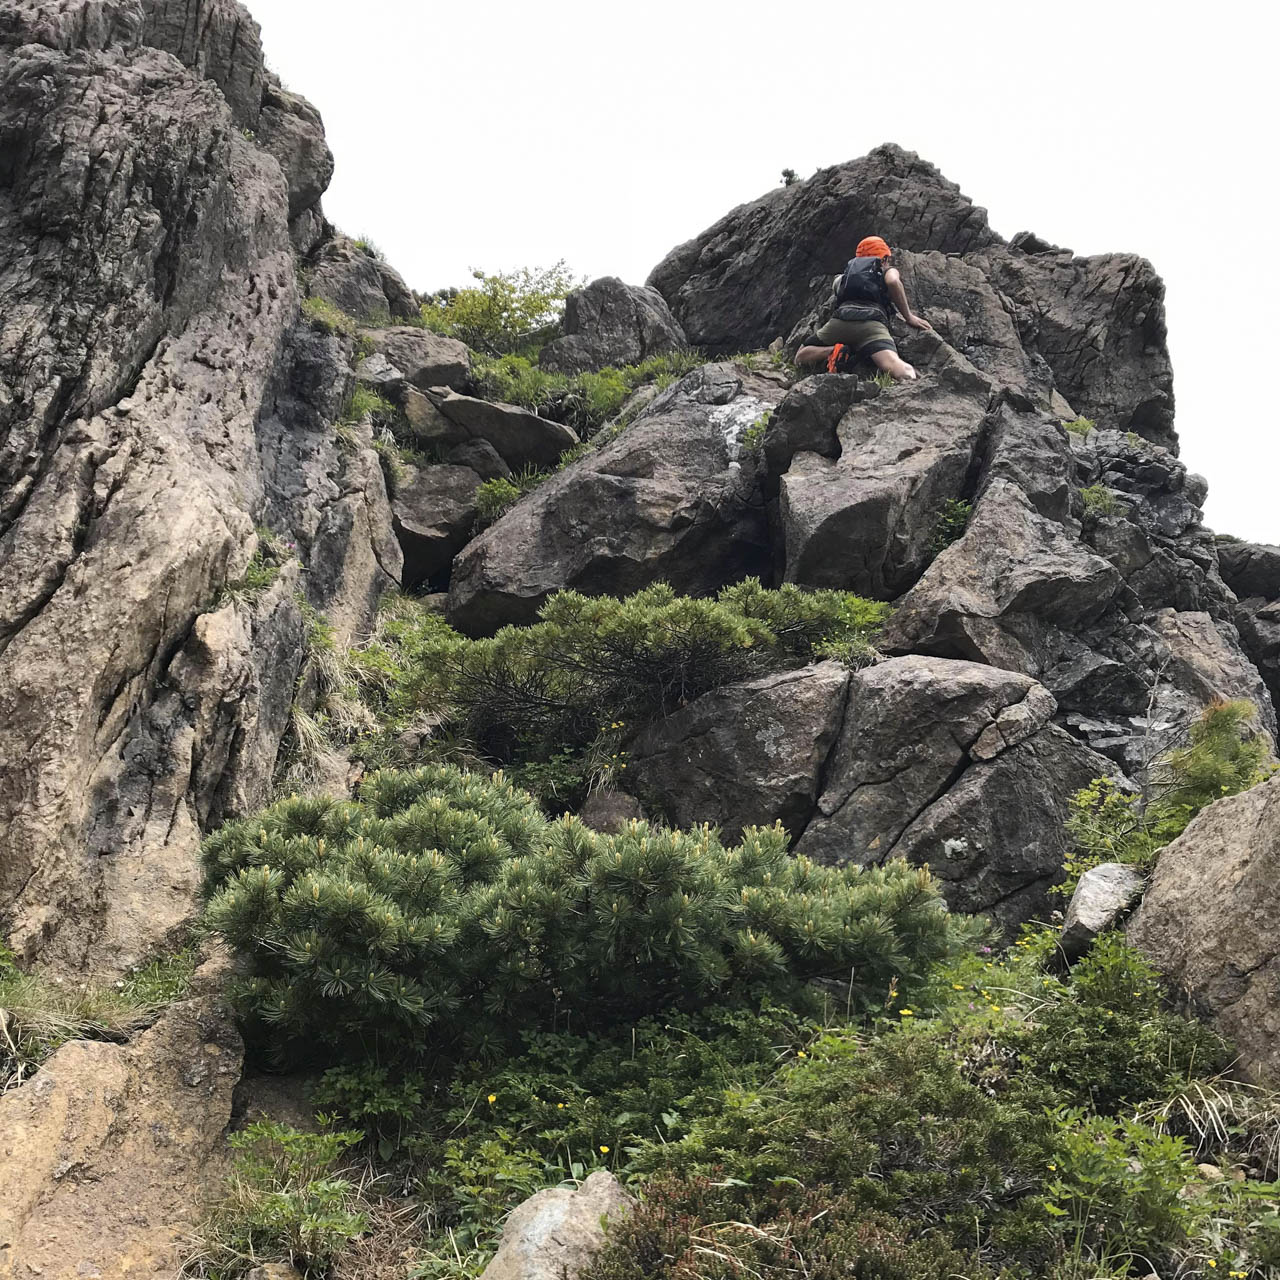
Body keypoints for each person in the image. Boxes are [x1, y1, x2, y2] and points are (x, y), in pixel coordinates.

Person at [795, 236, 932, 380]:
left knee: (800, 355)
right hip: (872, 326)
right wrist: (909, 316)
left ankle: (835, 350)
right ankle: (912, 381)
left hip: (840, 323)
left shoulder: (844, 277)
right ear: (884, 259)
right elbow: (893, 281)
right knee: (893, 364)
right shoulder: (886, 270)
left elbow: (837, 290)